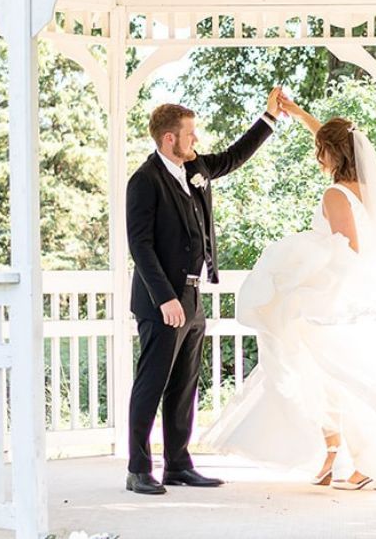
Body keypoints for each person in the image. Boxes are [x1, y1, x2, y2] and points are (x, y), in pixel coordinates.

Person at [201, 93, 376, 493]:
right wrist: (299, 114)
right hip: (364, 291)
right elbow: (335, 137)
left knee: (328, 373)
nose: (318, 159)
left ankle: (365, 460)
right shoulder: (369, 186)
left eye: (321, 152)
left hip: (337, 296)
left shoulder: (336, 194)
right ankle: (330, 454)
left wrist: (302, 267)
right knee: (318, 371)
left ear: (332, 154)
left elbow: (346, 248)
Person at [123, 92, 283, 495]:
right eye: (190, 134)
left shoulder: (194, 167)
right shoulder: (144, 181)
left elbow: (233, 157)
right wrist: (165, 299)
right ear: (168, 140)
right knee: (152, 382)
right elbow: (140, 244)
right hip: (163, 302)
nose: (197, 140)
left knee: (184, 384)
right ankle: (138, 468)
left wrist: (268, 117)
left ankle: (178, 464)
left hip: (192, 296)